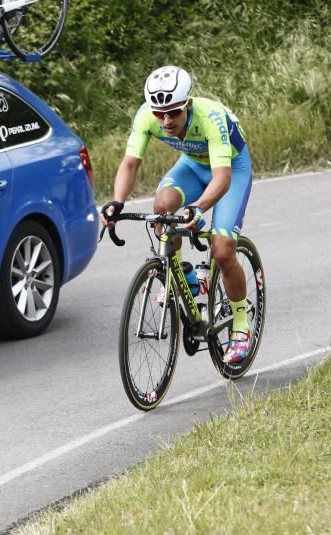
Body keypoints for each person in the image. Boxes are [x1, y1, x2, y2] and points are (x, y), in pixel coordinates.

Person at [101, 65, 255, 363]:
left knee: (223, 251)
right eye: (160, 114)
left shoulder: (212, 118)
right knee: (161, 210)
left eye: (173, 112)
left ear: (188, 104)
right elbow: (130, 163)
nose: (166, 121)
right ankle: (186, 276)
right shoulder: (147, 115)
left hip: (230, 169)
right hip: (193, 165)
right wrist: (117, 202)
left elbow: (221, 179)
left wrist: (198, 208)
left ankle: (240, 325)